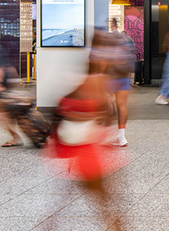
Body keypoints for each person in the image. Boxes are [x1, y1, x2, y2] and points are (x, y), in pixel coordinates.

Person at [46, 31, 124, 231]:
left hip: (81, 145)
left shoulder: (91, 77)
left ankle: (49, 225)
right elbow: (95, 110)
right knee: (102, 197)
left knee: (80, 193)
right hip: (85, 148)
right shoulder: (94, 79)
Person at [105, 31, 135, 147]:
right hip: (123, 80)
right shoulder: (125, 51)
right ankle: (121, 136)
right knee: (122, 106)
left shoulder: (108, 50)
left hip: (110, 80)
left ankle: (106, 134)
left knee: (108, 106)